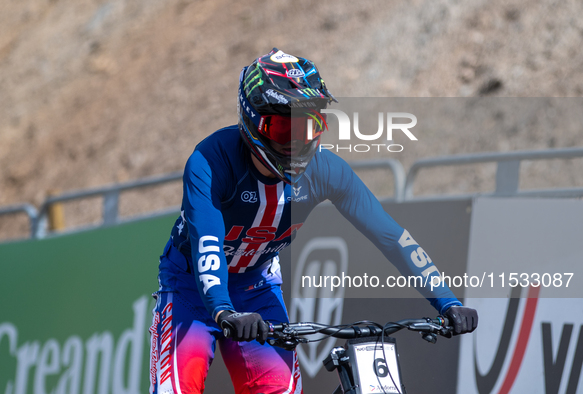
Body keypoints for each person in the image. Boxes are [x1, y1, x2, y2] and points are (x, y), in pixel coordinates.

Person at [149, 48, 478, 394]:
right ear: (252, 121)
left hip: (257, 288)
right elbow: (208, 246)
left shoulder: (328, 171)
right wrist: (222, 311)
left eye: (307, 126)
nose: (296, 143)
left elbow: (392, 238)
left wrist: (448, 301)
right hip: (190, 288)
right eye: (282, 128)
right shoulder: (210, 161)